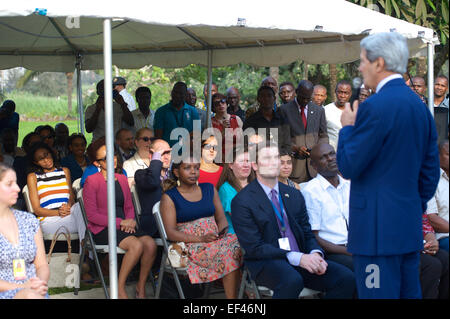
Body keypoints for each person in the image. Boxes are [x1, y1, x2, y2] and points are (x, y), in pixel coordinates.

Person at [337, 32, 440, 299]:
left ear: (379, 63)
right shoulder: (421, 108)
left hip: (375, 234)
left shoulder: (374, 107)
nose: (360, 67)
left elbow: (349, 166)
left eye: (362, 61)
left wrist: (347, 128)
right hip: (407, 228)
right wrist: (411, 206)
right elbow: (429, 174)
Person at [230, 142, 355, 299]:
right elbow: (255, 247)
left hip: (302, 258)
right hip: (268, 261)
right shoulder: (242, 201)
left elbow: (307, 232)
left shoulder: (294, 194)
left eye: (276, 158)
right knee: (292, 280)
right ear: (255, 165)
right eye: (267, 158)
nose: (274, 162)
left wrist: (315, 253)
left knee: (345, 278)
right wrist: (298, 258)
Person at [83, 137, 157, 299]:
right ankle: (119, 287)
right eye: (106, 158)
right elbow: (92, 215)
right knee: (136, 245)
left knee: (150, 245)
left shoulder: (122, 178)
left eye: (114, 155)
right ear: (97, 163)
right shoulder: (91, 181)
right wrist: (120, 222)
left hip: (124, 226)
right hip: (102, 228)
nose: (113, 159)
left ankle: (141, 286)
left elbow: (129, 207)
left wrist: (129, 222)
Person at [160, 155, 242, 299]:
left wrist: (221, 233)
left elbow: (222, 218)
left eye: (196, 168)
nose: (193, 172)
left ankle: (247, 292)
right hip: (188, 247)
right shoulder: (169, 197)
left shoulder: (209, 189)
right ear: (177, 172)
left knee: (242, 243)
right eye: (187, 168)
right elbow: (170, 233)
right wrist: (201, 239)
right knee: (231, 250)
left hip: (214, 240)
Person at [0, 163, 50, 299]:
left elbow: (42, 265)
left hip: (33, 290)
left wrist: (40, 283)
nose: (17, 188)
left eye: (16, 183)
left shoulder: (28, 220)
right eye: (9, 184)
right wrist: (22, 288)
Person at [302, 143, 353, 271]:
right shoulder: (311, 191)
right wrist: (350, 251)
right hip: (332, 252)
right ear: (314, 166)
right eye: (323, 157)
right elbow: (314, 237)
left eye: (332, 154)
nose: (330, 159)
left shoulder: (349, 186)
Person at [26, 142, 85, 243]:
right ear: (36, 162)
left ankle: (85, 249)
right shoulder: (33, 177)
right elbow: (37, 210)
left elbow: (71, 198)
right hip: (49, 220)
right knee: (88, 224)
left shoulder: (65, 171)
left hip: (69, 214)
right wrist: (58, 212)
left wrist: (68, 207)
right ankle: (87, 252)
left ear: (51, 153)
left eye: (46, 155)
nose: (46, 160)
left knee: (80, 207)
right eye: (41, 159)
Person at [280, 80, 329, 183]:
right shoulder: (284, 110)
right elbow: (280, 138)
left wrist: (318, 150)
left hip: (315, 168)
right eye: (303, 97)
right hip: (294, 166)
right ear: (296, 92)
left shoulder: (319, 110)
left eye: (308, 98)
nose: (305, 100)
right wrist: (295, 148)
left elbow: (323, 135)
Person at [134, 139, 172, 237]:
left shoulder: (176, 175)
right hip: (154, 227)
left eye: (168, 153)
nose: (166, 157)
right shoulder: (141, 174)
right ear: (152, 156)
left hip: (176, 224)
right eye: (162, 154)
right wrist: (156, 158)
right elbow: (153, 182)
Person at [243, 86, 291, 155]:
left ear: (274, 98)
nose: (266, 99)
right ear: (258, 99)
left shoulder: (282, 119)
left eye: (269, 96)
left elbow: (287, 144)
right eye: (263, 96)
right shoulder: (250, 121)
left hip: (279, 159)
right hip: (259, 160)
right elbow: (247, 144)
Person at [217, 147, 254, 235]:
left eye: (248, 161)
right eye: (241, 161)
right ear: (230, 165)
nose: (246, 165)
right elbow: (241, 219)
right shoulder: (226, 189)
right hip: (237, 236)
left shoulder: (257, 185)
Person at [154, 82, 200, 147]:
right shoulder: (161, 111)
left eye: (181, 93)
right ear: (171, 93)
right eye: (175, 92)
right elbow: (158, 137)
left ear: (185, 95)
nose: (178, 95)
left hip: (187, 153)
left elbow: (197, 135)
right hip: (167, 153)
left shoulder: (193, 111)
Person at [426, 140, 449, 252]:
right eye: (448, 154)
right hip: (443, 237)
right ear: (438, 156)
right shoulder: (432, 180)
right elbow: (432, 219)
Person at [420, 213, 449, 299]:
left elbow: (425, 224)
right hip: (399, 249)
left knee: (444, 258)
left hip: (419, 244)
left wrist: (432, 241)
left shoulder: (414, 203)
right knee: (432, 265)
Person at [211, 93, 243, 161]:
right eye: (216, 103)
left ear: (226, 103)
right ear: (213, 107)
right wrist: (223, 131)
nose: (220, 104)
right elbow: (212, 146)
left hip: (236, 158)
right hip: (220, 160)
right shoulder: (210, 122)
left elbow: (243, 141)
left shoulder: (236, 119)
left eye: (223, 101)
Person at [324, 80, 352, 151]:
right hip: (330, 156)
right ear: (335, 92)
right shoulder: (326, 110)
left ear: (350, 94)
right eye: (340, 92)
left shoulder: (354, 112)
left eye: (346, 93)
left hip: (348, 154)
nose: (342, 96)